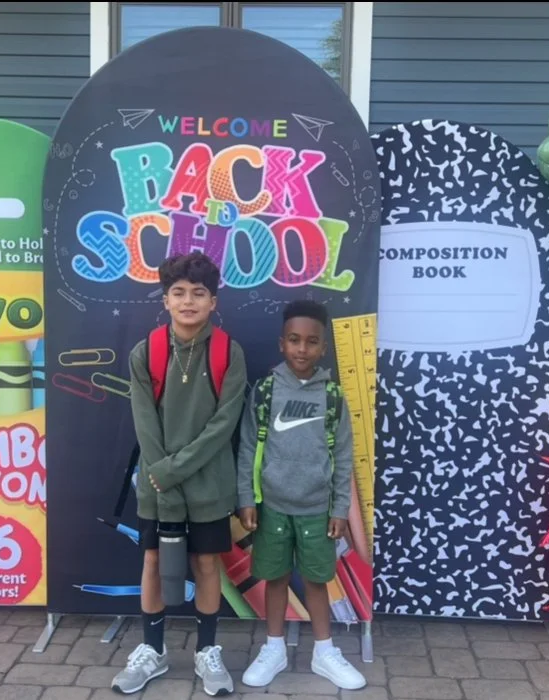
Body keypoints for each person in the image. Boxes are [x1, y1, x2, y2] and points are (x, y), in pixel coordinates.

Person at [112, 251, 247, 697]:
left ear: (213, 301)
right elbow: (144, 422)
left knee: (207, 564)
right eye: (178, 292)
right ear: (165, 299)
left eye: (198, 293)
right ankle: (153, 650)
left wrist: (173, 468)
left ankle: (207, 652)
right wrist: (163, 473)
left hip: (208, 484)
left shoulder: (229, 352)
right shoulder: (145, 352)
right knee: (152, 561)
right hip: (157, 486)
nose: (188, 301)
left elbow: (223, 425)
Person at [235, 300, 367, 691]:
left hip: (316, 510)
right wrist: (246, 498)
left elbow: (343, 457)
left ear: (323, 348)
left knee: (316, 580)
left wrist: (339, 508)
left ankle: (324, 652)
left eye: (311, 342)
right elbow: (246, 449)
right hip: (272, 507)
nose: (302, 349)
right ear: (281, 343)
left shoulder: (332, 397)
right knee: (274, 578)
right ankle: (274, 648)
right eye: (294, 340)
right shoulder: (265, 392)